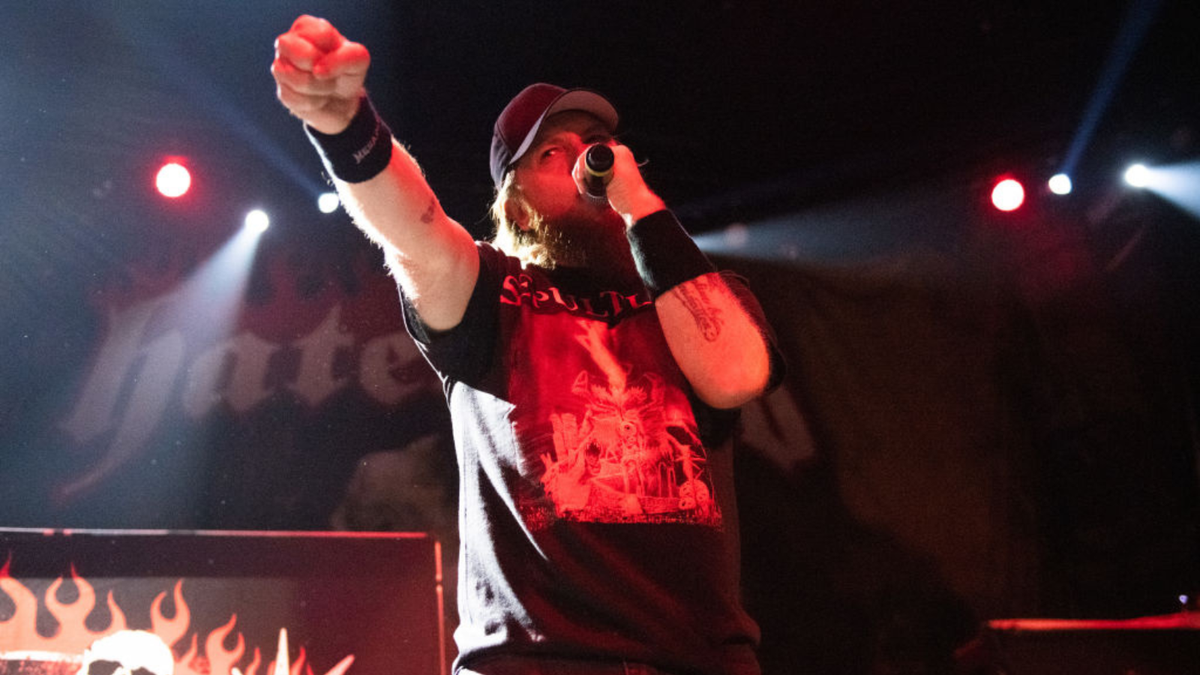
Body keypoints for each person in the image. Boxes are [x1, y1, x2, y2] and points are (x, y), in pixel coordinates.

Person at [272, 15, 783, 675]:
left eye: (596, 143)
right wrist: (347, 128)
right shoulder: (493, 293)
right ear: (515, 207)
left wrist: (641, 207)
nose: (584, 161)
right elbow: (414, 230)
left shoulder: (693, 298)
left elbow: (736, 375)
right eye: (552, 153)